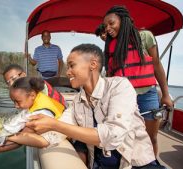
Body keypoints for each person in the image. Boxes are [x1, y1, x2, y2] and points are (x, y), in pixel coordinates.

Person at [26, 44, 157, 169]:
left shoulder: (120, 86)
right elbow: (55, 132)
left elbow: (112, 136)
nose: (68, 72)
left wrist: (54, 125)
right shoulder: (77, 101)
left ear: (92, 65)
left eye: (72, 66)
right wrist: (12, 136)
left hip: (137, 164)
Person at [103, 6, 174, 156]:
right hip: (122, 99)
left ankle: (152, 164)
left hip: (147, 95)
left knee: (150, 139)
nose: (107, 28)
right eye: (105, 26)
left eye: (111, 23)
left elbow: (157, 66)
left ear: (123, 20)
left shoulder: (145, 36)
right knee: (124, 138)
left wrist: (166, 95)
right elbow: (110, 75)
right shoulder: (111, 46)